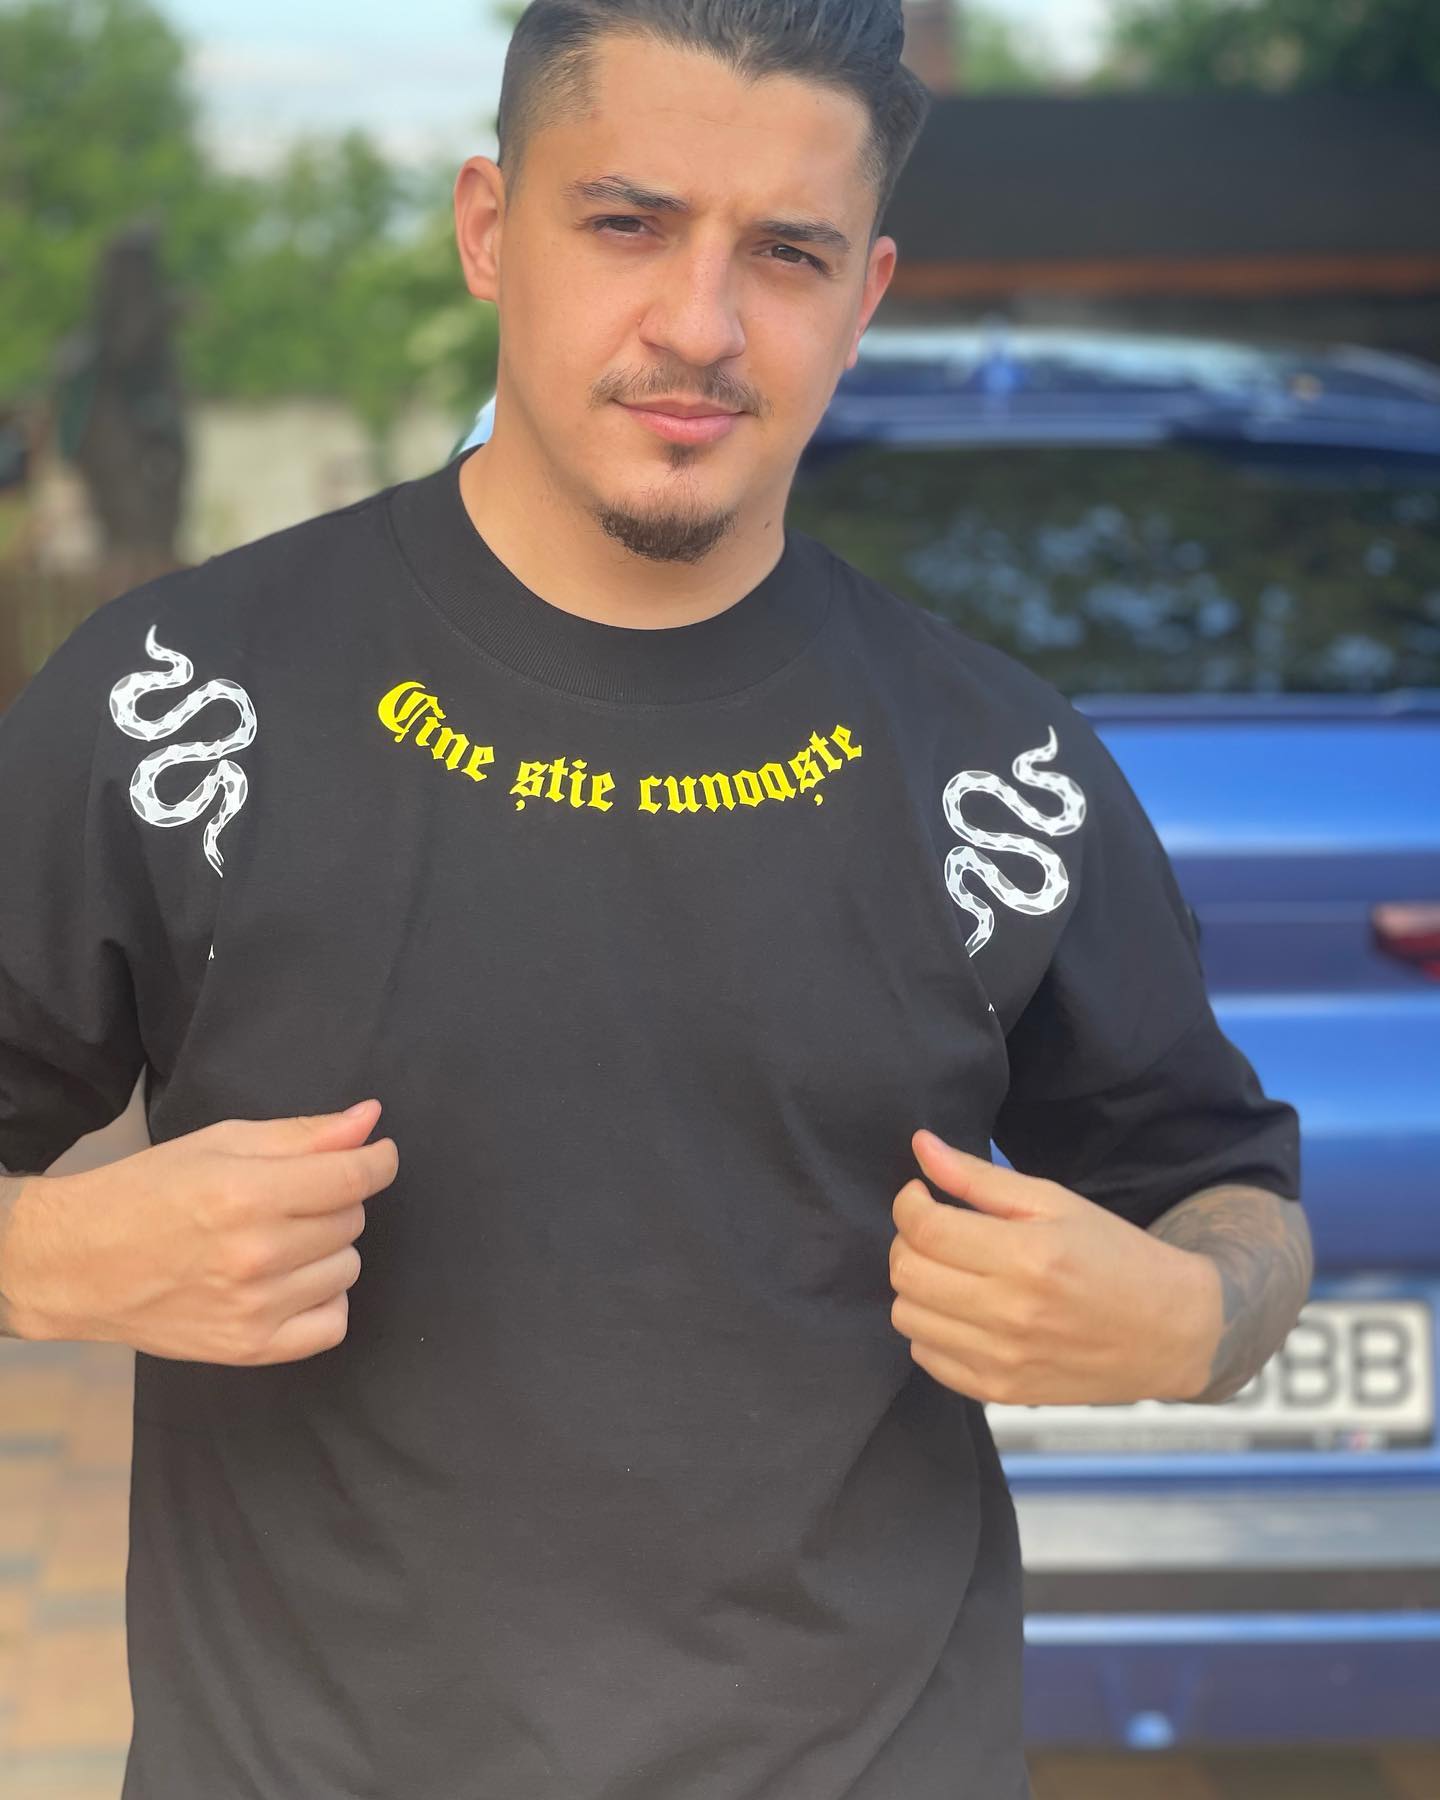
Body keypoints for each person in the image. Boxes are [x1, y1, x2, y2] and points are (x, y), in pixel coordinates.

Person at [0, 4, 1308, 1797]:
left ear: (866, 293)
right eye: (628, 222)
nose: (701, 325)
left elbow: (1227, 1191)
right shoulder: (181, 703)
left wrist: (1196, 1323)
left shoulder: (999, 767)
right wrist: (45, 1258)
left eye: (787, 254)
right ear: (489, 227)